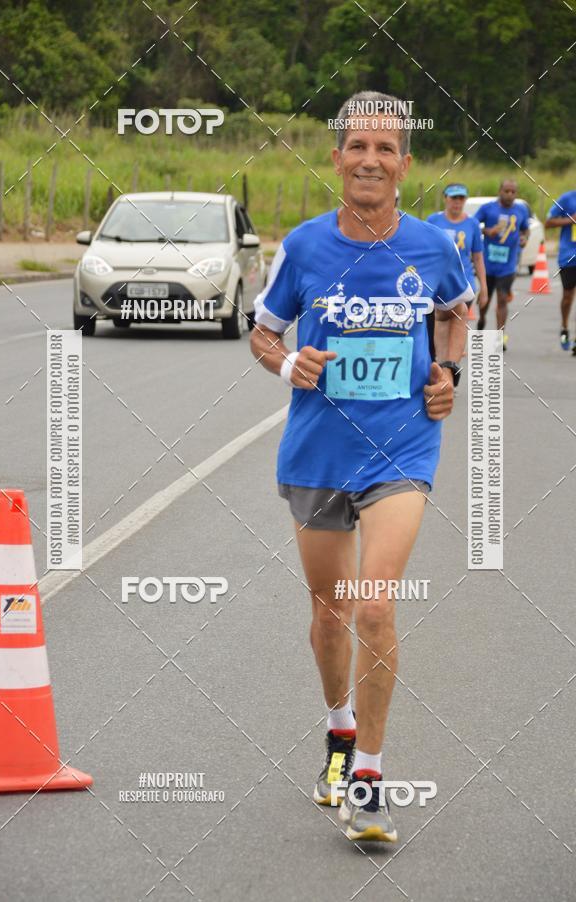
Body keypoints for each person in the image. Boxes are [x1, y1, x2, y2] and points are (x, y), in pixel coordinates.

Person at [250, 90, 473, 842]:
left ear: (405, 166)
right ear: (336, 159)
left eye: (386, 149)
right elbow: (263, 333)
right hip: (317, 451)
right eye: (358, 147)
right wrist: (289, 367)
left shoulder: (434, 247)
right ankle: (340, 731)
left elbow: (455, 310)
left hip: (402, 450)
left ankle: (371, 779)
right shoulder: (305, 247)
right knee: (330, 612)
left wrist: (447, 377)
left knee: (374, 604)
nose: (370, 159)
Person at [427, 184, 487, 358]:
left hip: (462, 282)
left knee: (455, 320)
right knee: (438, 323)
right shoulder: (433, 221)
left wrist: (483, 286)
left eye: (461, 198)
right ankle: (439, 360)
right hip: (436, 282)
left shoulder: (472, 224)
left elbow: (477, 257)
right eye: (454, 198)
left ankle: (449, 364)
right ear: (445, 198)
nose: (457, 202)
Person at [475, 180, 529, 351]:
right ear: (500, 191)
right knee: (486, 299)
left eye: (513, 192)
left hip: (508, 265)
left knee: (503, 299)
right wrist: (487, 231)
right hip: (488, 264)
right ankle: (482, 319)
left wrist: (524, 238)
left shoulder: (521, 210)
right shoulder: (488, 208)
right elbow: (472, 225)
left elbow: (525, 229)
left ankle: (499, 336)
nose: (510, 195)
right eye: (507, 191)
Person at [545, 189, 576, 351]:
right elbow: (548, 222)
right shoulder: (567, 198)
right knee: (568, 297)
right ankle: (564, 327)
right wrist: (571, 220)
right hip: (569, 256)